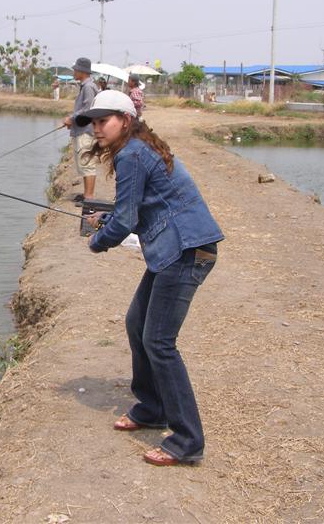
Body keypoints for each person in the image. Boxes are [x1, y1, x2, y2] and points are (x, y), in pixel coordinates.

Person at [77, 90, 224, 467]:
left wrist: (98, 240)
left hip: (187, 249)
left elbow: (126, 219)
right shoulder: (138, 148)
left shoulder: (132, 154)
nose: (96, 129)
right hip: (173, 250)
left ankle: (187, 440)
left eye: (103, 121)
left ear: (125, 120)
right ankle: (152, 407)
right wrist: (107, 221)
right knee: (136, 323)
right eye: (93, 122)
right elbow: (139, 210)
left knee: (159, 342)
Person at [62, 57, 99, 203]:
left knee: (87, 164)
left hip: (86, 132)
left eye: (75, 69)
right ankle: (86, 195)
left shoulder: (89, 87)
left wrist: (71, 118)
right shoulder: (85, 86)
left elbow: (87, 109)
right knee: (83, 163)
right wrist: (73, 120)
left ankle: (89, 197)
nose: (74, 72)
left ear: (82, 71)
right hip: (82, 129)